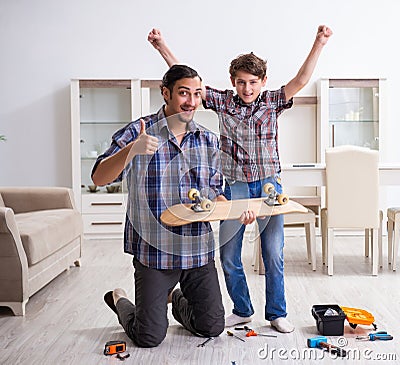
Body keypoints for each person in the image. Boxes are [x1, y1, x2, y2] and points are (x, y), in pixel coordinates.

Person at [148, 25, 332, 333]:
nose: (247, 88)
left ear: (263, 82)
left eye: (253, 82)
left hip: (269, 187)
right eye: (241, 82)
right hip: (233, 188)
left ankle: (276, 313)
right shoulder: (224, 102)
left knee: (273, 254)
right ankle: (243, 309)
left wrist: (319, 42)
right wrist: (161, 46)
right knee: (228, 255)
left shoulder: (273, 101)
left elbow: (301, 79)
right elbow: (189, 83)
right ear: (233, 82)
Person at [92, 64, 255, 347]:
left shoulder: (207, 139)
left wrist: (234, 211)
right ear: (166, 93)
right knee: (149, 337)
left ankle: (174, 296)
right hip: (155, 254)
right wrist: (132, 150)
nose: (191, 101)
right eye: (183, 93)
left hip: (197, 251)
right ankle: (120, 299)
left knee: (212, 327)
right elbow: (98, 177)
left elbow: (216, 194)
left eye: (196, 94)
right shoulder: (139, 132)